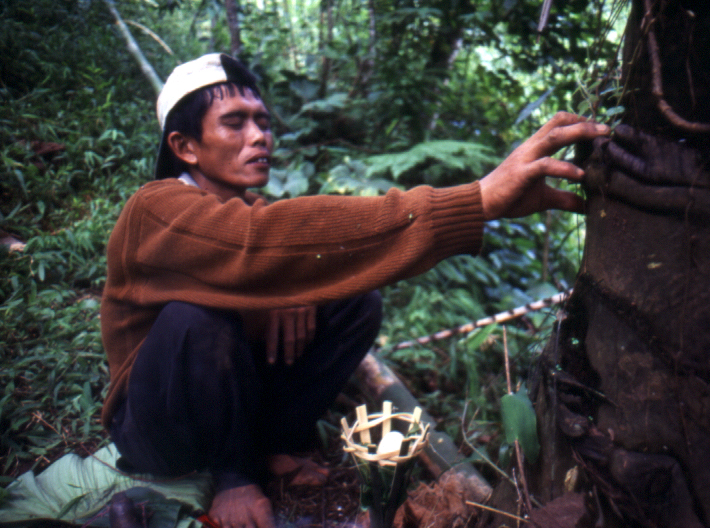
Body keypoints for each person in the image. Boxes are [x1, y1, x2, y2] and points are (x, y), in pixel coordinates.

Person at [100, 53, 610, 528]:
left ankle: (275, 445)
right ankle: (233, 475)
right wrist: (476, 200)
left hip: (236, 400)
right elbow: (257, 246)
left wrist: (294, 286)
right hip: (155, 429)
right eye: (235, 122)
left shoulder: (247, 209)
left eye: (263, 121)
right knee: (197, 319)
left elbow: (275, 245)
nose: (259, 136)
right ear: (184, 147)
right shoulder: (155, 209)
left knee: (351, 301)